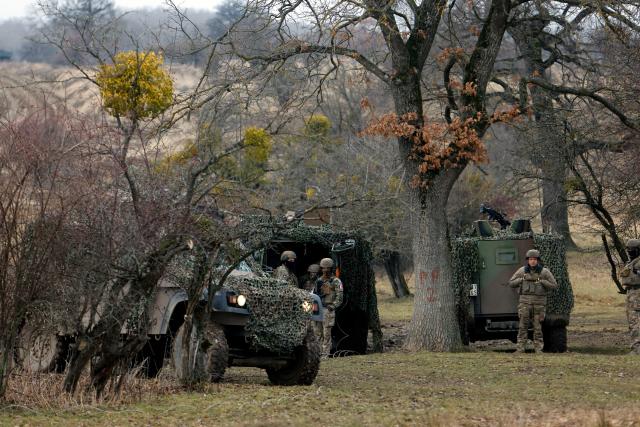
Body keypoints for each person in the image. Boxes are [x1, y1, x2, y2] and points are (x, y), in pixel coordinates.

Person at [508, 249, 558, 353]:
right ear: (528, 260)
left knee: (538, 328)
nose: (533, 261)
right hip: (525, 303)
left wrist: (542, 281)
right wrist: (521, 279)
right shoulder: (522, 271)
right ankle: (520, 349)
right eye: (531, 259)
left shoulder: (544, 272)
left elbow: (554, 285)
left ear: (538, 260)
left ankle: (538, 349)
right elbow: (511, 283)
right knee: (522, 327)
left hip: (539, 304)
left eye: (535, 259)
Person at [313, 257, 343, 356]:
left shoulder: (336, 281)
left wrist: (333, 306)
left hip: (328, 309)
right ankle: (317, 353)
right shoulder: (318, 281)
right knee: (317, 333)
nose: (325, 270)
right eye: (323, 268)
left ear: (331, 268)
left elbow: (340, 296)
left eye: (328, 268)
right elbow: (313, 296)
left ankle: (325, 354)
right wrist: (309, 309)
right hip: (318, 309)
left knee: (326, 333)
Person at [620, 239, 640, 355]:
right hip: (631, 293)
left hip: (637, 294)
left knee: (635, 322)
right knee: (632, 321)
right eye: (628, 249)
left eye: (631, 249)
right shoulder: (631, 262)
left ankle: (637, 349)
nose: (629, 251)